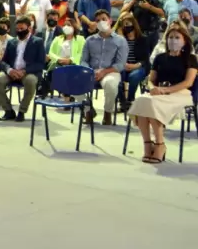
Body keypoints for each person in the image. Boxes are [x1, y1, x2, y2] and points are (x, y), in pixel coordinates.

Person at [128, 24, 198, 163]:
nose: (173, 40)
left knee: (152, 103)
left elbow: (188, 82)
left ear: (184, 41)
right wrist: (152, 88)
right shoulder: (160, 58)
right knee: (142, 100)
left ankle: (160, 144)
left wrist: (166, 91)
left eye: (177, 37)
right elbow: (150, 80)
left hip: (181, 93)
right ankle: (147, 144)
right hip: (159, 92)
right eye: (170, 37)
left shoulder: (191, 58)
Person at [0, 16, 47, 122]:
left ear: (29, 28)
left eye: (22, 29)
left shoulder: (37, 42)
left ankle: (22, 111)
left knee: (31, 81)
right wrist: (10, 70)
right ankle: (8, 111)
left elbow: (40, 63)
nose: (19, 31)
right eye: (17, 29)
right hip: (12, 71)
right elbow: (3, 61)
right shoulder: (11, 42)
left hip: (28, 72)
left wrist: (24, 71)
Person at [80, 9, 128, 125]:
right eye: (98, 20)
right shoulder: (89, 40)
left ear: (110, 21)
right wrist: (90, 71)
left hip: (111, 71)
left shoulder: (120, 40)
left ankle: (107, 113)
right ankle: (88, 111)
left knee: (110, 84)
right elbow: (83, 61)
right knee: (74, 82)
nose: (101, 22)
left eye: (104, 19)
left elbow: (120, 64)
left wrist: (104, 72)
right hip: (91, 71)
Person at [116, 13, 150, 112]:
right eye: (124, 25)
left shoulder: (143, 39)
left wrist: (135, 65)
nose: (126, 26)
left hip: (139, 67)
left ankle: (130, 100)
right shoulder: (121, 40)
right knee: (116, 77)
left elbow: (145, 59)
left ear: (134, 24)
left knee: (133, 76)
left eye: (128, 24)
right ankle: (122, 102)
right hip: (123, 66)